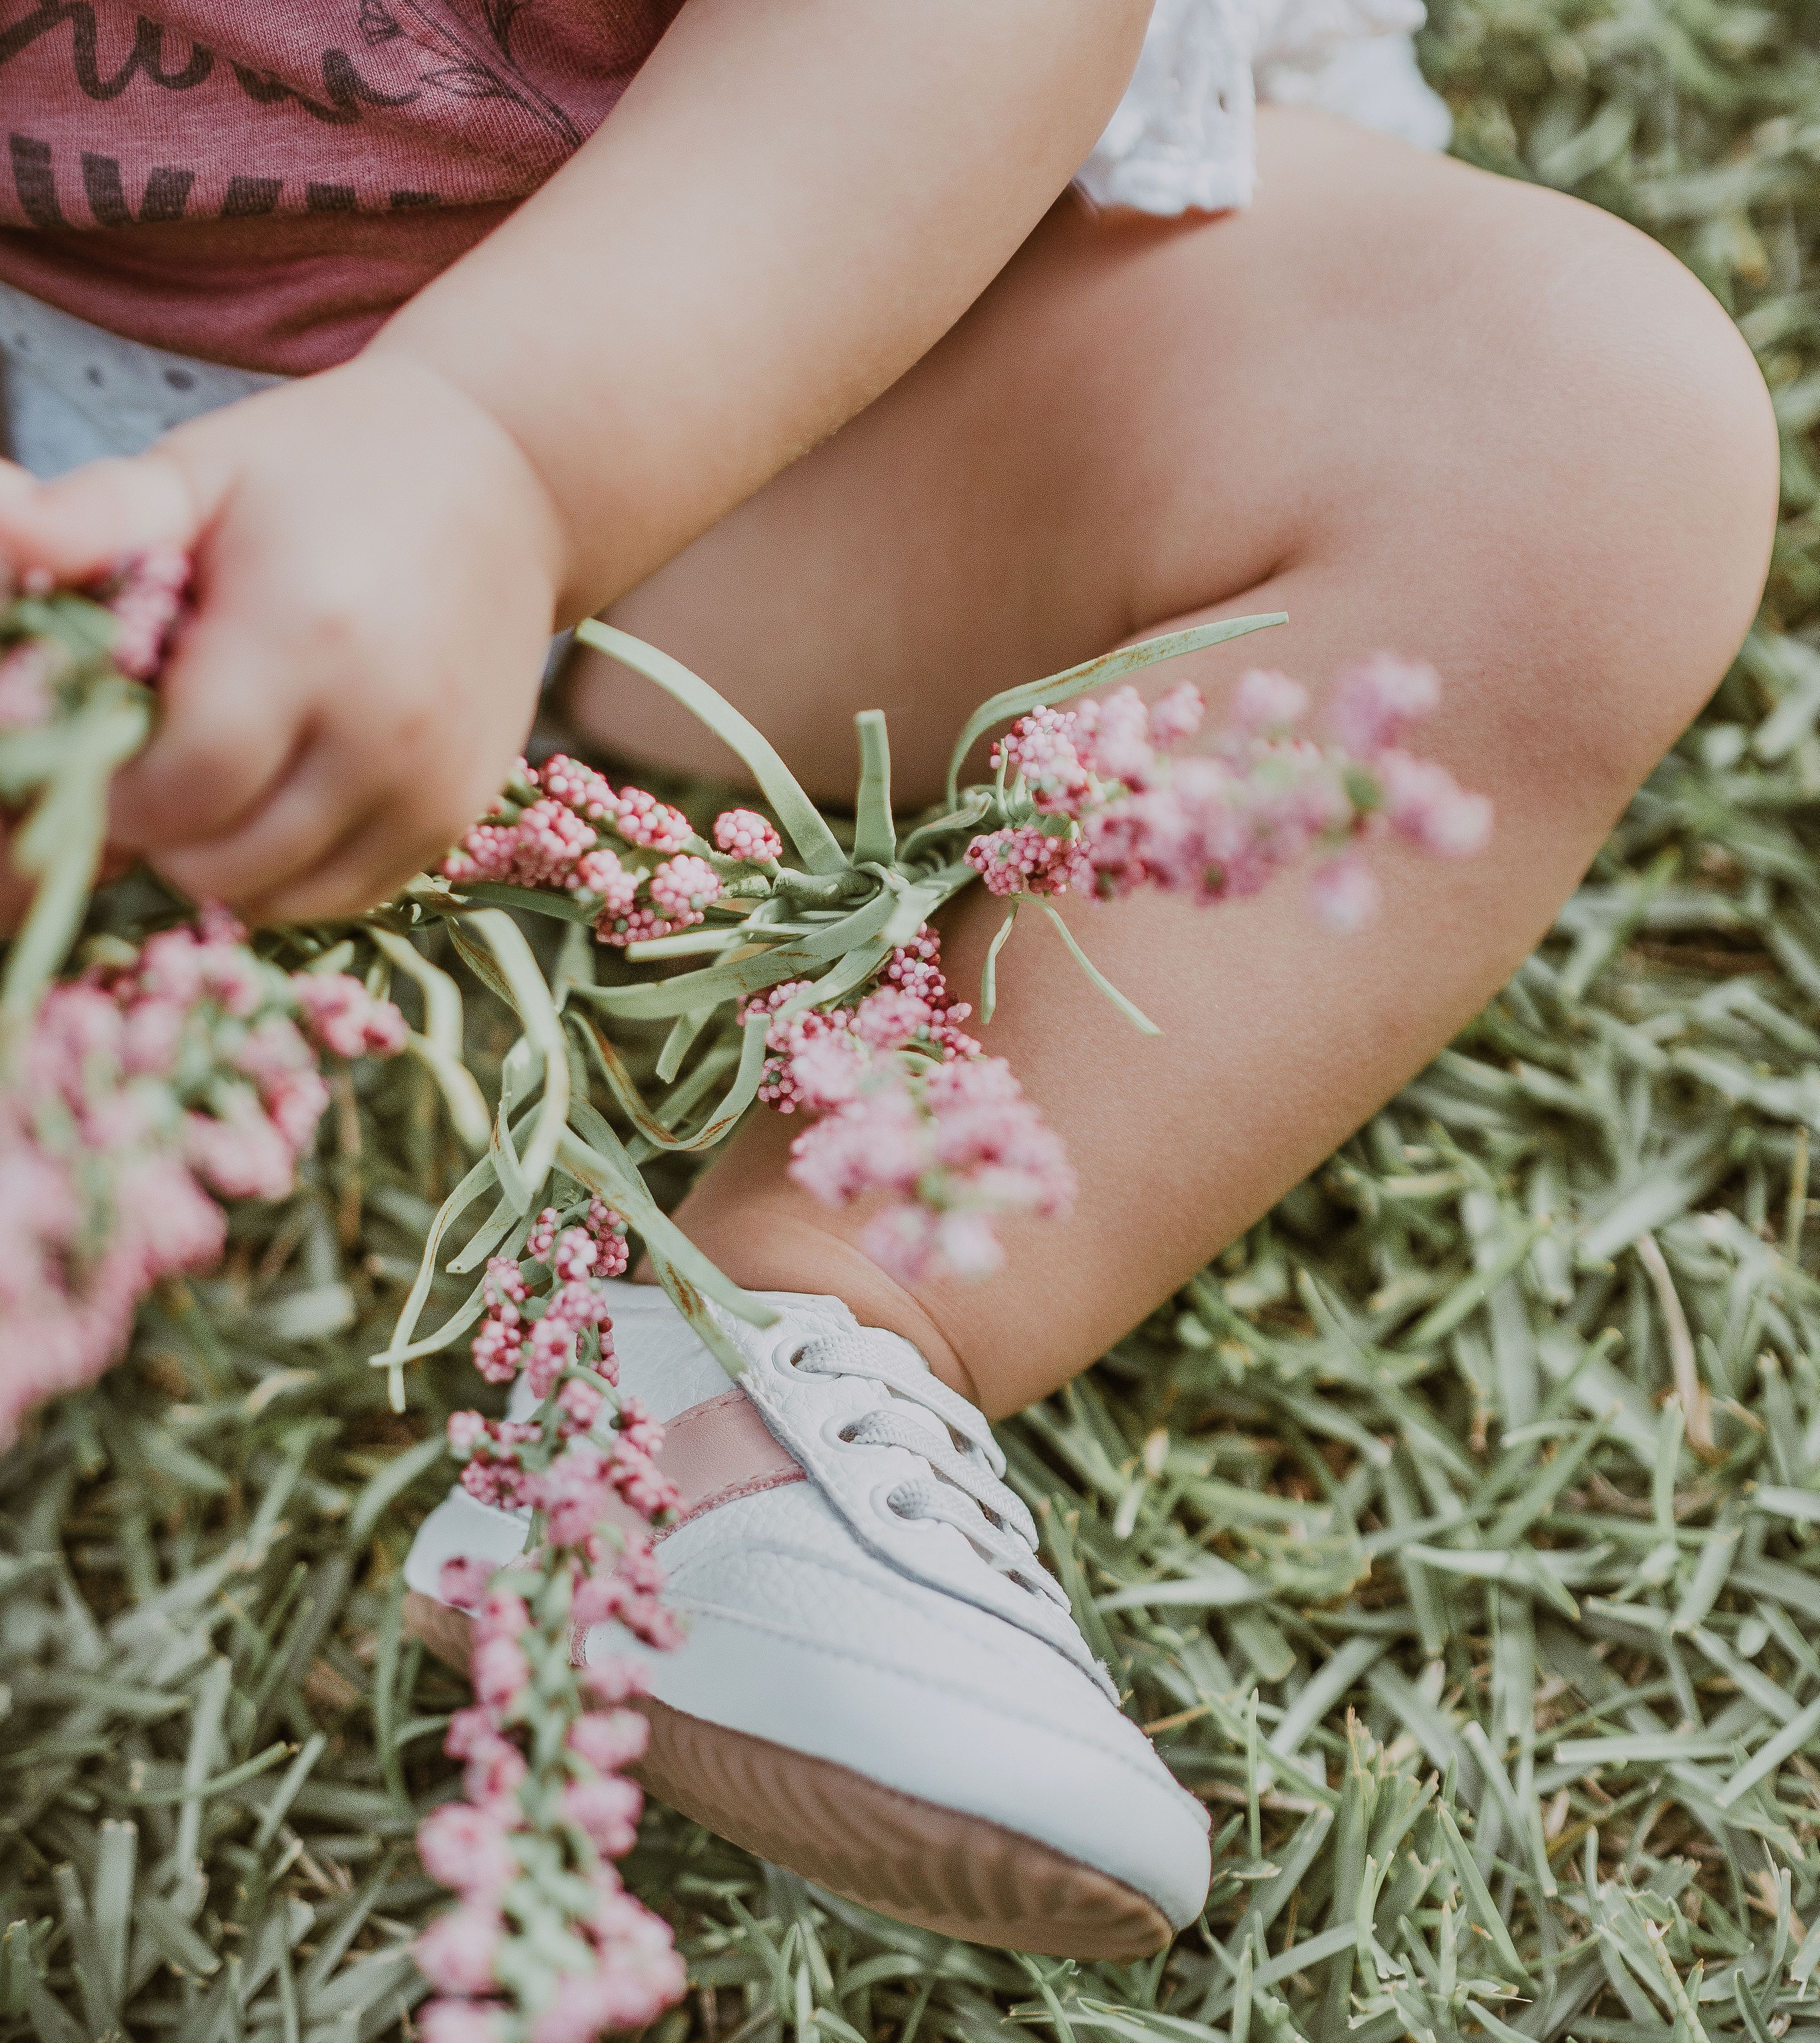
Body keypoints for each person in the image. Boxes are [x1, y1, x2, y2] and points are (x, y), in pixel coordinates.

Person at [0, 0, 1777, 1961]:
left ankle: (770, 1366)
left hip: (802, 288)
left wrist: (494, 460)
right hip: (60, 344)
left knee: (1565, 432)